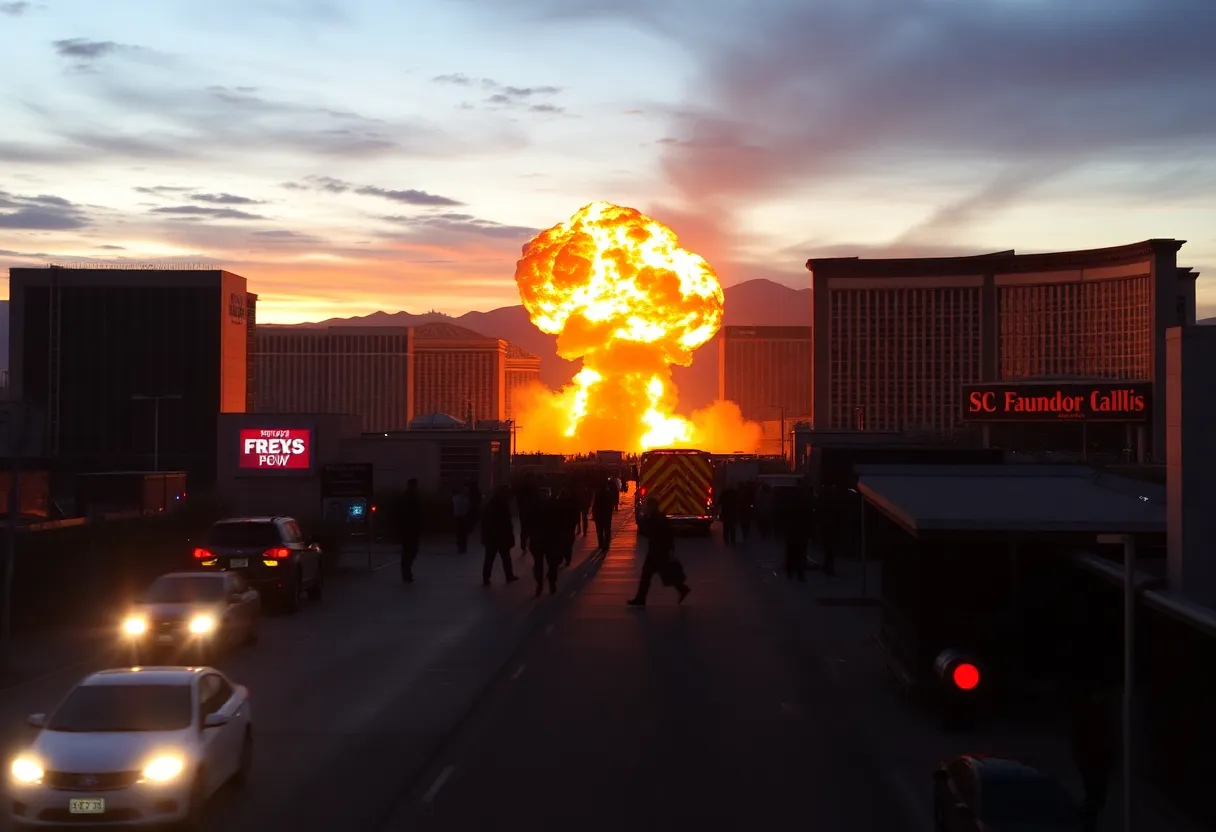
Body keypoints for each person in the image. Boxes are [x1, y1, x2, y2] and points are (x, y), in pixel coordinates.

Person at [627, 496, 690, 607]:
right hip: (658, 551)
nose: (646, 508)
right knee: (663, 573)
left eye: (647, 506)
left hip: (657, 552)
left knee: (648, 574)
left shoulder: (656, 519)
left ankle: (641, 599)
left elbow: (646, 530)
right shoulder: (658, 517)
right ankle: (682, 589)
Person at [1070, 687, 1118, 832]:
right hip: (1091, 759)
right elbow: (1078, 736)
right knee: (1094, 795)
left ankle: (1089, 819)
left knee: (1096, 796)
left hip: (1098, 759)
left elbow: (1110, 737)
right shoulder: (1089, 714)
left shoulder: (1103, 713)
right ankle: (1088, 820)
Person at [480, 486, 519, 586]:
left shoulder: (490, 505)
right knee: (504, 556)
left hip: (493, 536)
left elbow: (484, 523)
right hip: (500, 536)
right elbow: (506, 524)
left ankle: (486, 577)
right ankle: (508, 575)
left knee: (491, 557)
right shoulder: (501, 506)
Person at [528, 489, 562, 596]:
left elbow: (528, 524)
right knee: (551, 563)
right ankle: (551, 583)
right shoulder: (553, 507)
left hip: (539, 540)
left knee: (539, 564)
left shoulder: (534, 508)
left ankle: (540, 584)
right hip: (549, 539)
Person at [782, 484, 813, 582]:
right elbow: (808, 518)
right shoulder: (805, 503)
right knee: (800, 554)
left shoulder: (789, 503)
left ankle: (790, 572)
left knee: (791, 553)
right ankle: (799, 574)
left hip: (792, 532)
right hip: (800, 533)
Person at [399, 478, 421, 583]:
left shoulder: (406, 496)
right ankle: (406, 572)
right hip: (410, 528)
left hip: (407, 528)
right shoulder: (411, 497)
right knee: (410, 550)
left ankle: (406, 572)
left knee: (408, 551)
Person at [555, 486, 580, 567]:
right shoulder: (571, 502)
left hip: (561, 526)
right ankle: (567, 558)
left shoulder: (557, 503)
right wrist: (576, 523)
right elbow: (576, 514)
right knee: (568, 544)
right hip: (569, 526)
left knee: (560, 543)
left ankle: (561, 558)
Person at [592, 478, 616, 550]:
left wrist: (594, 513)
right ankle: (607, 544)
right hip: (607, 514)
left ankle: (601, 543)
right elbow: (611, 503)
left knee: (599, 530)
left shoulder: (598, 493)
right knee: (607, 529)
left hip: (599, 514)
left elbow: (595, 504)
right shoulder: (609, 493)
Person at [452, 486, 470, 553]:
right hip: (463, 518)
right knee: (462, 533)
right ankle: (462, 547)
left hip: (458, 517)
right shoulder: (465, 499)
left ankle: (461, 547)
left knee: (460, 533)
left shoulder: (455, 498)